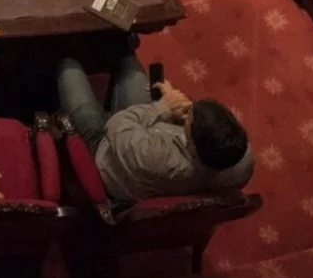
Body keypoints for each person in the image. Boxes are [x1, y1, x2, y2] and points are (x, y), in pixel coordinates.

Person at [55, 48, 253, 204]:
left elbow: (115, 126)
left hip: (107, 151)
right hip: (144, 152)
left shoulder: (154, 156)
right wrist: (177, 109)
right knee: (129, 63)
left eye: (190, 118)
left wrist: (163, 106)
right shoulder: (241, 160)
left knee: (68, 68)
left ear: (192, 145)